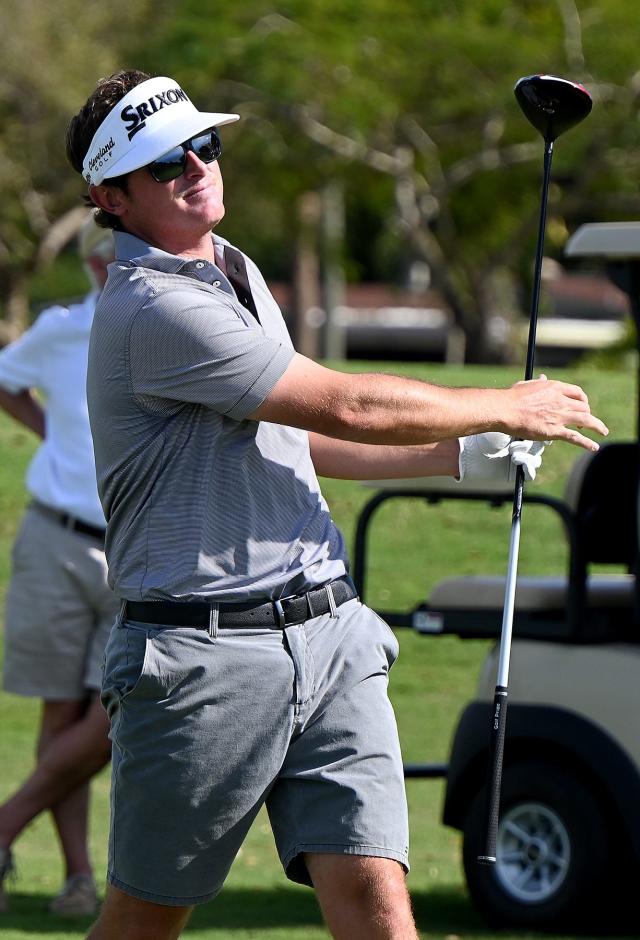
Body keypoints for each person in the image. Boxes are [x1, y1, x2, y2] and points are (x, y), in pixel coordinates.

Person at [65, 69, 607, 940]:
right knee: (144, 923)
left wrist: (465, 451)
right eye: (167, 163)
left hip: (331, 634)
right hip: (204, 657)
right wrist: (506, 402)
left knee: (378, 907)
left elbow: (301, 441)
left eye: (205, 145)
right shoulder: (152, 307)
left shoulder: (233, 273)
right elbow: (343, 403)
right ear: (111, 197)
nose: (198, 165)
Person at [0, 218, 118, 916]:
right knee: (59, 714)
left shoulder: (157, 329)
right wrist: (48, 434)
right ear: (100, 266)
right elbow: (4, 379)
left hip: (133, 547)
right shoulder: (63, 327)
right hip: (55, 540)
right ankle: (78, 880)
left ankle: (6, 824)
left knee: (114, 715)